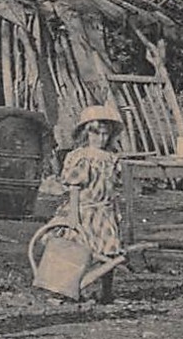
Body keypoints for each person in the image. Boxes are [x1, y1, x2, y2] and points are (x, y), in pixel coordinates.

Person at [45, 104, 126, 302]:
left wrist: (116, 211)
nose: (101, 138)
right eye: (96, 134)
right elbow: (74, 187)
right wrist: (73, 215)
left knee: (110, 251)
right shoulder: (80, 156)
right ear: (86, 133)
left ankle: (106, 293)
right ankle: (64, 290)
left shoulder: (112, 158)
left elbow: (113, 187)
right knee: (74, 251)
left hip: (104, 210)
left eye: (105, 134)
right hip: (83, 209)